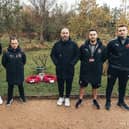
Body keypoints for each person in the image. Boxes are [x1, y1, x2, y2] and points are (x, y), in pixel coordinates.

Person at [75, 29, 106, 109]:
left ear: (97, 35)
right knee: (82, 85)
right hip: (85, 69)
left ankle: (95, 100)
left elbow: (104, 58)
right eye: (91, 35)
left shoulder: (102, 47)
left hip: (96, 70)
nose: (92, 36)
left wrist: (97, 62)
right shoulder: (83, 46)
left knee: (95, 86)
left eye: (94, 34)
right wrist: (86, 62)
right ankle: (80, 99)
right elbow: (80, 57)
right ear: (89, 36)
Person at [50, 28, 79, 107]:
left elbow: (77, 55)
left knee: (69, 83)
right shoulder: (57, 44)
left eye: (66, 33)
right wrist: (56, 63)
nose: (65, 35)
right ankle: (61, 97)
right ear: (60, 34)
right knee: (60, 83)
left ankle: (67, 98)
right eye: (63, 33)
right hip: (60, 68)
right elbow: (52, 55)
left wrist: (72, 63)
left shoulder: (73, 44)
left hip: (70, 68)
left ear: (69, 34)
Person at [105, 24, 129, 110]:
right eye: (120, 30)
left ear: (127, 31)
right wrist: (113, 60)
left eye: (123, 30)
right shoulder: (112, 43)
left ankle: (121, 101)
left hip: (126, 69)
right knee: (110, 85)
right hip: (113, 68)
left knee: (122, 86)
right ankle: (108, 101)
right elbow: (106, 54)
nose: (122, 32)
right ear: (117, 32)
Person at [2, 36, 26, 106]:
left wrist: (20, 67)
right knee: (10, 86)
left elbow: (24, 61)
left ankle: (22, 97)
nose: (14, 45)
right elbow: (3, 63)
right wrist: (9, 68)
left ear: (18, 43)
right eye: (12, 43)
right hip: (10, 73)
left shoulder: (21, 52)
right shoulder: (6, 53)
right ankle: (9, 99)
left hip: (19, 72)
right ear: (10, 44)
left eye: (15, 43)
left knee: (20, 85)